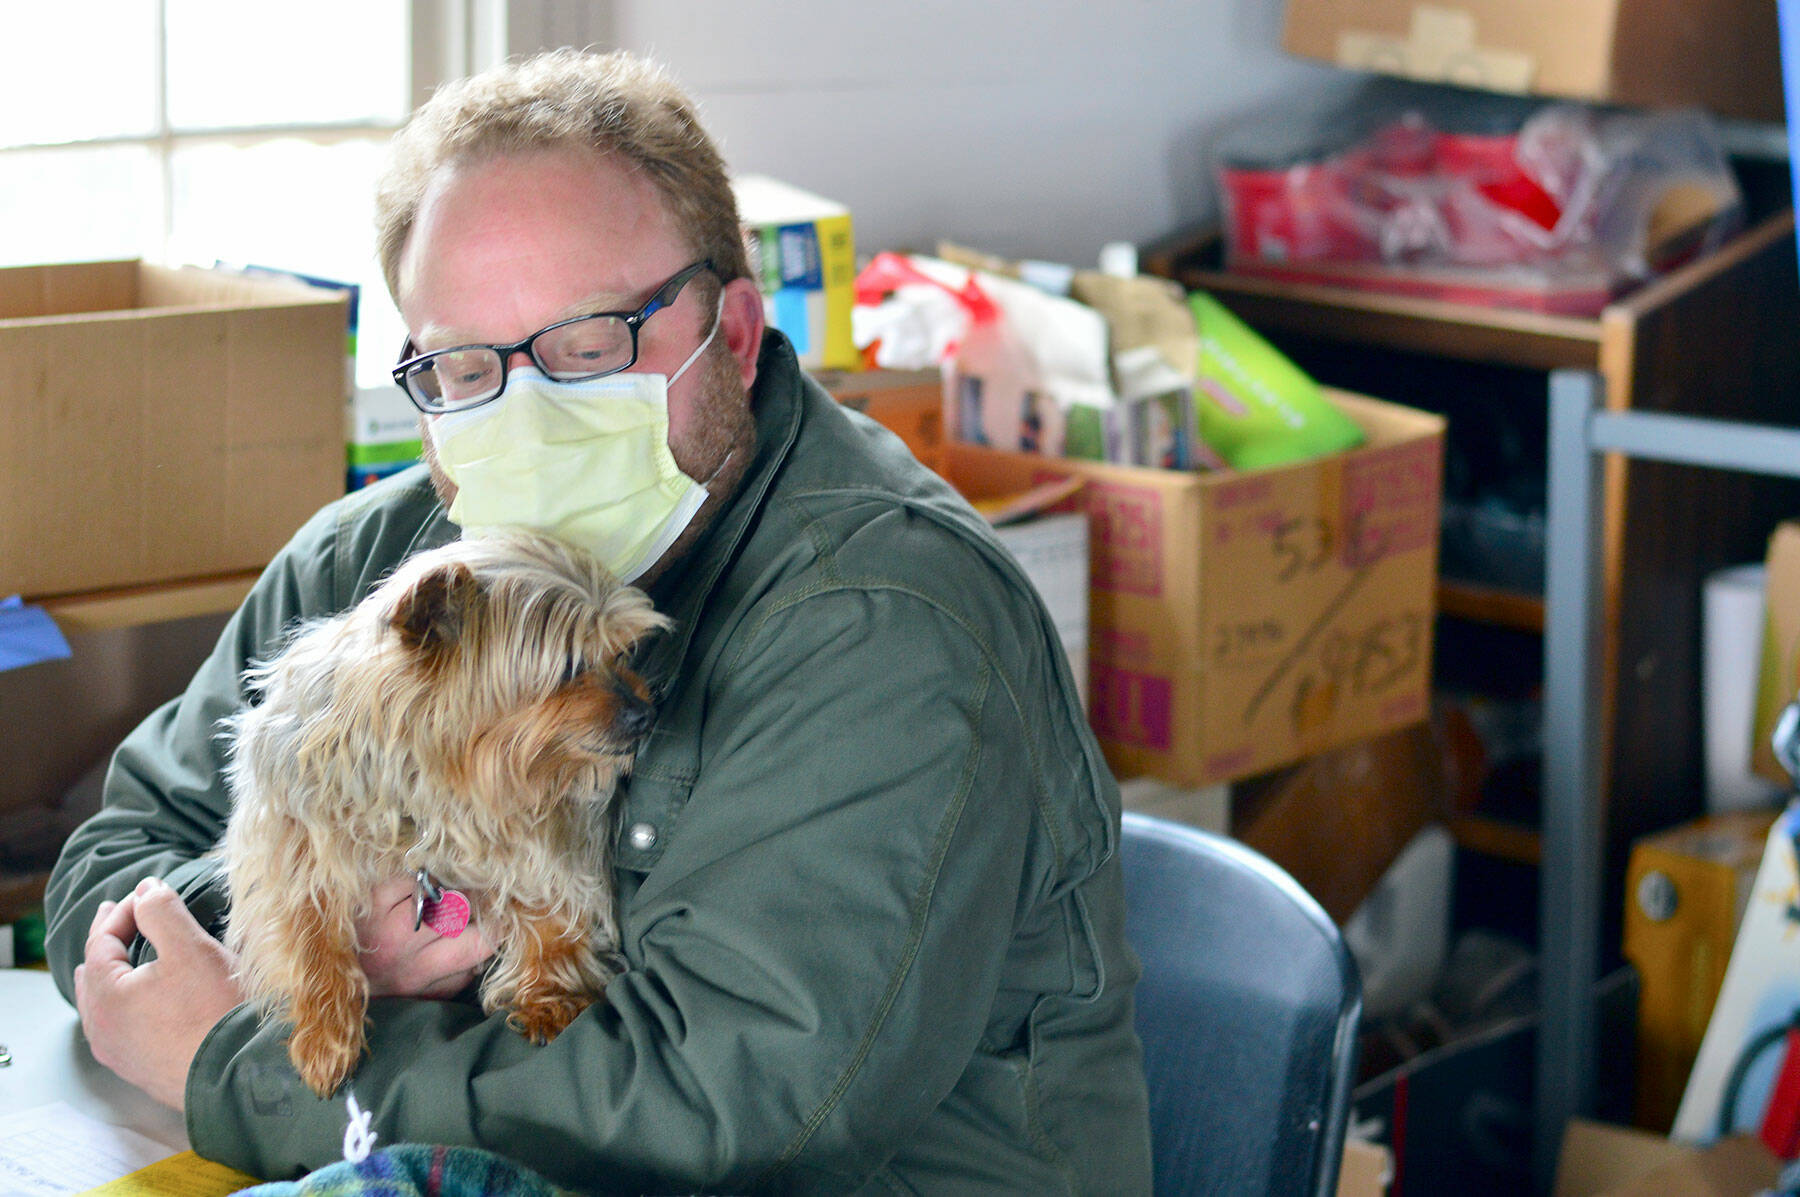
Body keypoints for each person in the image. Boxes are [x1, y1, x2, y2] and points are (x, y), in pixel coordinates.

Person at [45, 48, 1152, 1194]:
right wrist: (329, 940)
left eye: (590, 346)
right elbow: (126, 850)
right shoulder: (379, 567)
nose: (527, 412)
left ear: (730, 330)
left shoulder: (886, 625)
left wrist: (239, 1059)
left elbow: (721, 1108)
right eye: (465, 369)